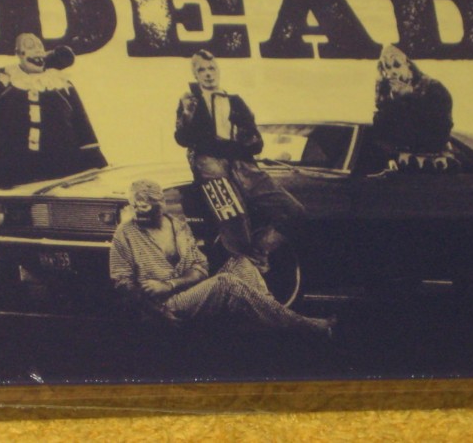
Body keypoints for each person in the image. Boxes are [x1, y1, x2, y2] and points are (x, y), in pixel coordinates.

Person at [108, 179, 334, 338]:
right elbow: (121, 281)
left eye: (146, 209)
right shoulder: (125, 233)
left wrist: (171, 284)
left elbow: (200, 268)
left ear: (161, 204)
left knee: (241, 263)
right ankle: (306, 326)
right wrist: (155, 310)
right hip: (160, 306)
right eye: (135, 208)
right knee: (225, 283)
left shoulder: (177, 226)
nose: (139, 214)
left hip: (187, 293)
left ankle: (272, 319)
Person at [174, 50, 304, 267]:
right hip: (211, 167)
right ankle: (244, 269)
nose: (208, 74)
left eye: (211, 68)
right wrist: (187, 115)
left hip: (245, 167)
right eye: (202, 70)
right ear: (195, 75)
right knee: (235, 220)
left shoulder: (236, 101)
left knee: (294, 211)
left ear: (218, 70)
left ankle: (256, 253)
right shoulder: (190, 101)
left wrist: (244, 136)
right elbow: (182, 139)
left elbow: (257, 144)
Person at [0, 33, 106, 192]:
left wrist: (97, 165)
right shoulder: (4, 80)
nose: (37, 50)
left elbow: (83, 128)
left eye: (40, 46)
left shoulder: (61, 84)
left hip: (61, 174)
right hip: (13, 176)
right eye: (30, 46)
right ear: (19, 53)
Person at [369, 43, 455, 171]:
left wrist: (408, 98)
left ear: (408, 65)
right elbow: (380, 132)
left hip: (431, 163)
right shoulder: (387, 92)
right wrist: (392, 101)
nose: (392, 72)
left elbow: (438, 131)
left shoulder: (433, 88)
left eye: (397, 65)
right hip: (399, 163)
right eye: (387, 67)